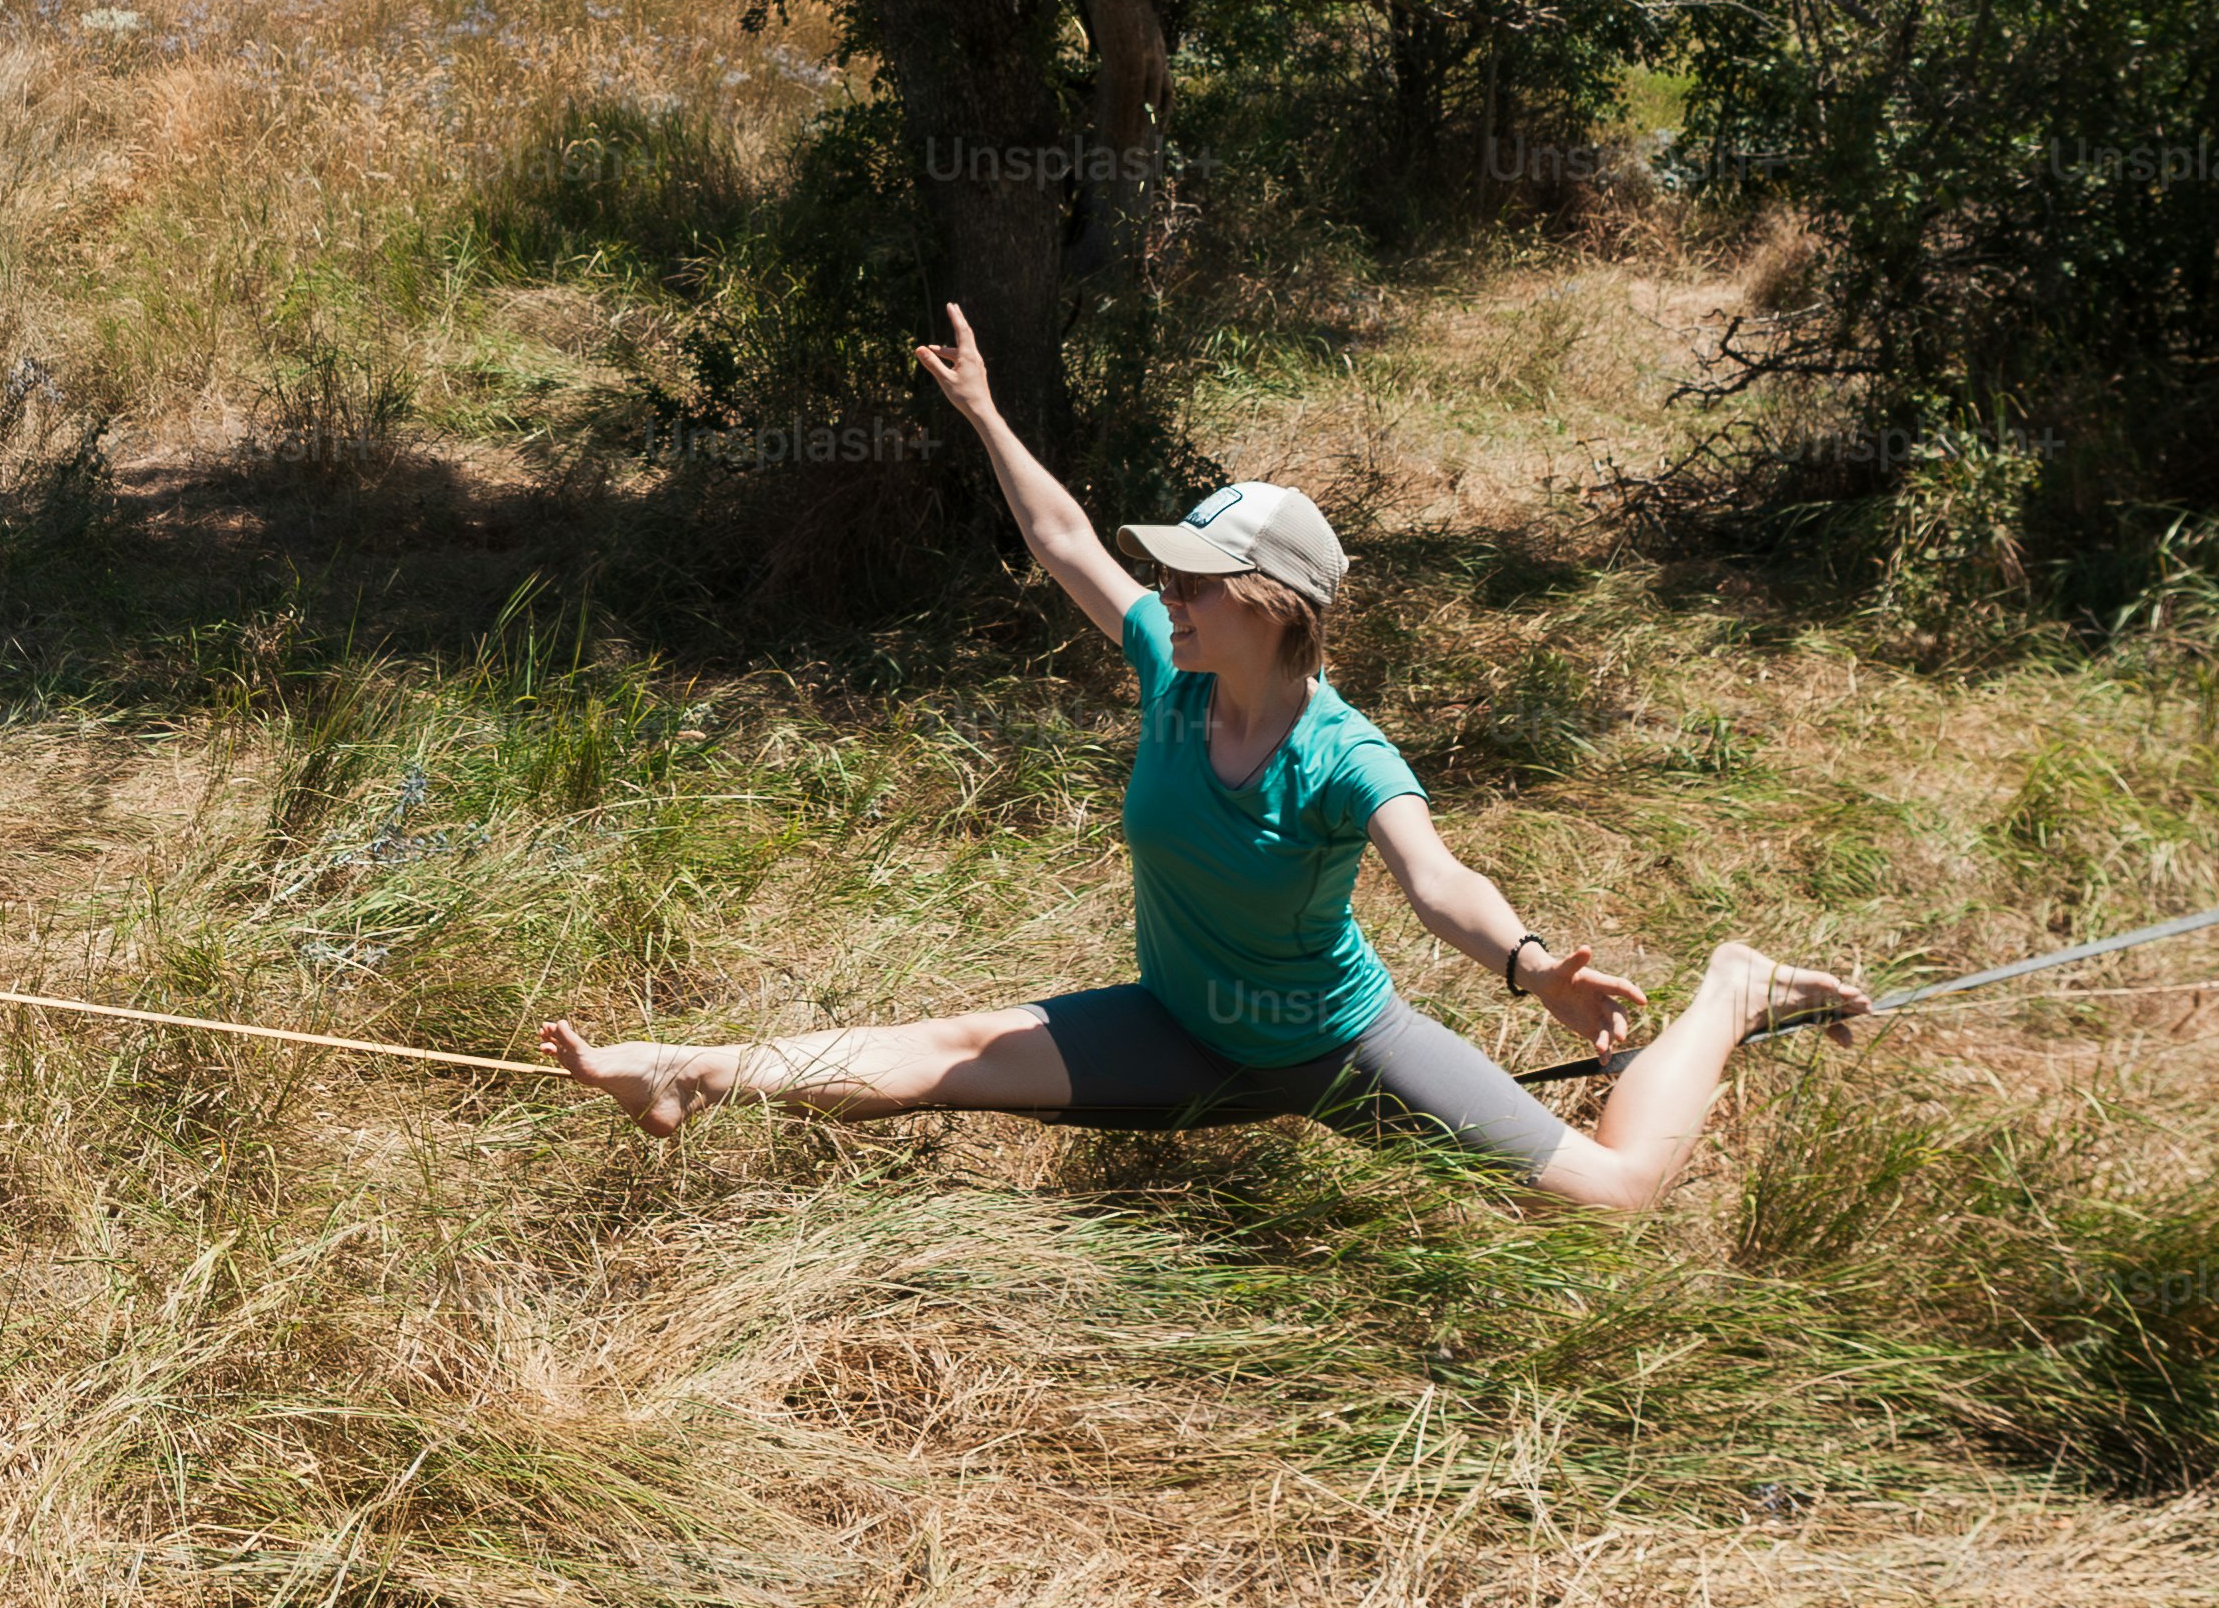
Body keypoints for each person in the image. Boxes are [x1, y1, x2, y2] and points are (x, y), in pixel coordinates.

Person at [540, 304, 1866, 1209]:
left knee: (1612, 1191)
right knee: (938, 1055)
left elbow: (1434, 880)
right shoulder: (1171, 670)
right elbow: (1067, 544)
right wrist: (989, 419)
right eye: (1169, 573)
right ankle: (687, 1070)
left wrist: (1527, 969)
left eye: (1196, 578)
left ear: (1275, 604)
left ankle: (1734, 991)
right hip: (1176, 1027)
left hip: (1331, 1049)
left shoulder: (1342, 753)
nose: (1165, 591)